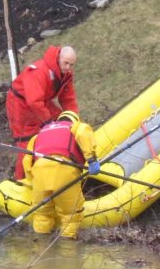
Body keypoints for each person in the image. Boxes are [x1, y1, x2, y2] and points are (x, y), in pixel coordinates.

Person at [21, 110, 100, 239]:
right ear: (74, 120)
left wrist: (32, 180)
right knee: (71, 216)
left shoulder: (39, 135)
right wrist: (92, 160)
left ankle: (40, 245)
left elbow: (27, 162)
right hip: (64, 170)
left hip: (39, 174)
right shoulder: (76, 127)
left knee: (42, 214)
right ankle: (67, 251)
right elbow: (84, 134)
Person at [6, 45, 79, 180]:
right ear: (58, 58)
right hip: (20, 104)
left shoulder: (65, 74)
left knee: (62, 123)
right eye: (66, 63)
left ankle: (60, 161)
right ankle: (20, 181)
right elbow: (34, 102)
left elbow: (68, 99)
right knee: (26, 143)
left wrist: (74, 120)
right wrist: (48, 122)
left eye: (71, 64)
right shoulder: (38, 72)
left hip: (41, 100)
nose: (68, 67)